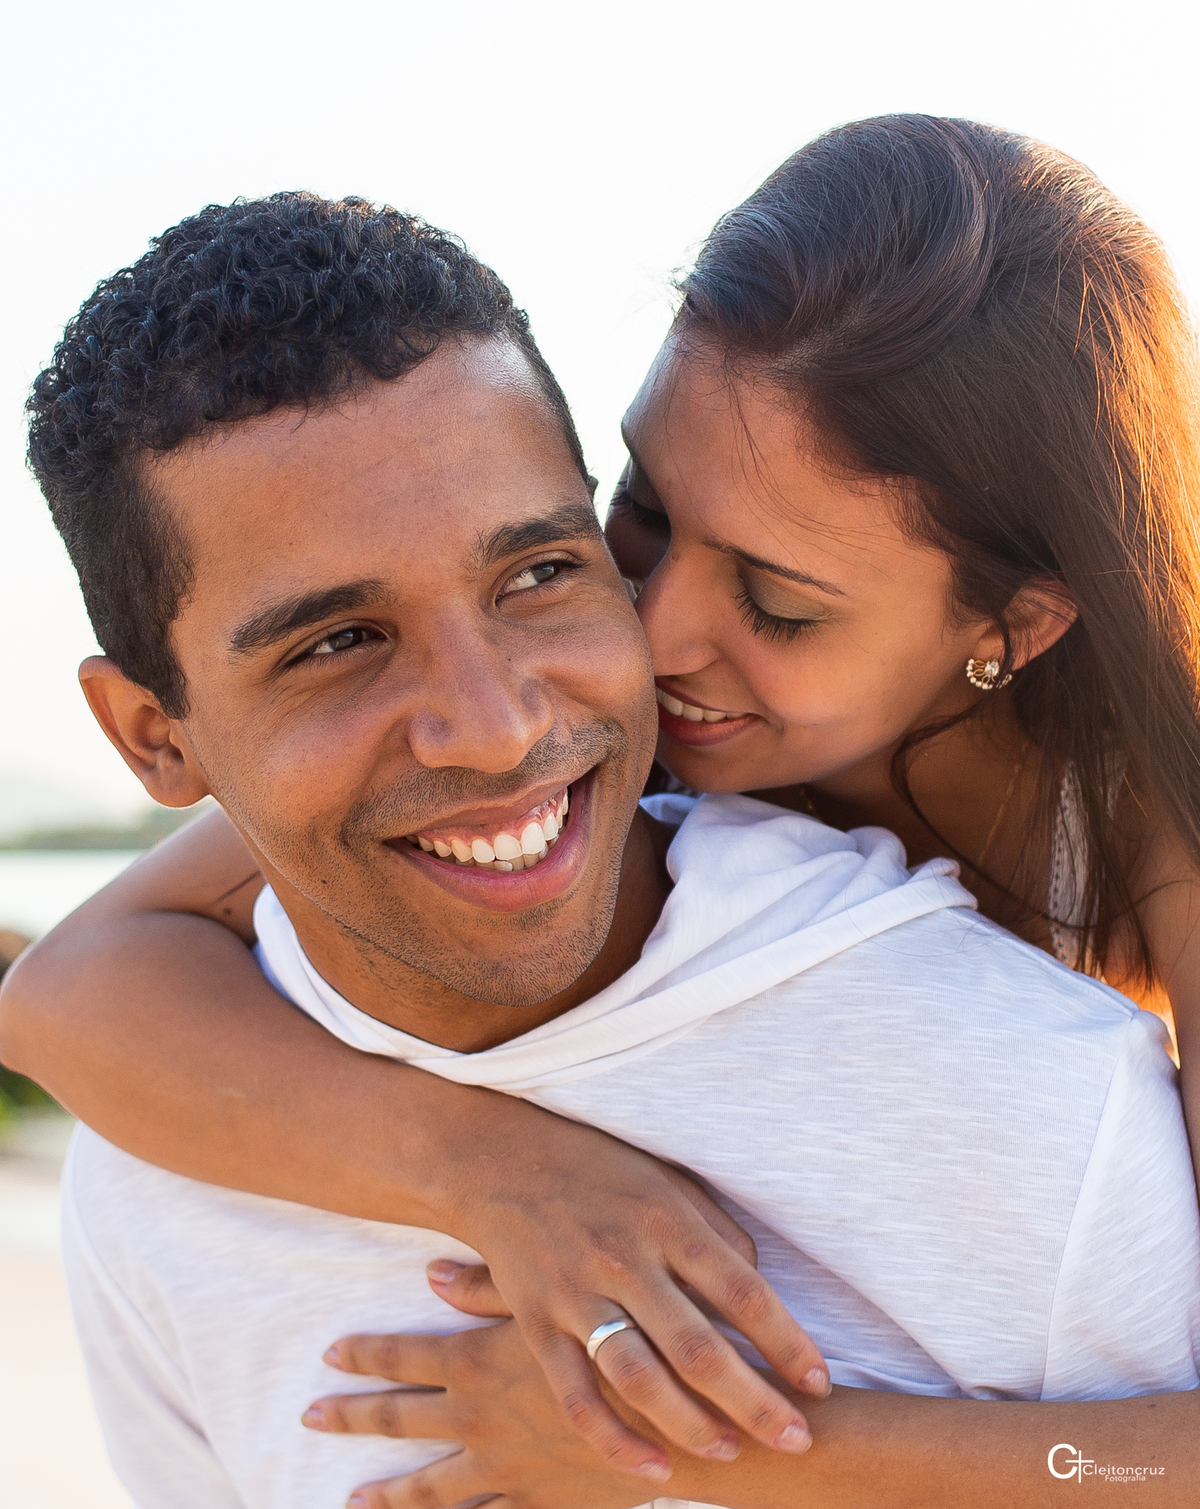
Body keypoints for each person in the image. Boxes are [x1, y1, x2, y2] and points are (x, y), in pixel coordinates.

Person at [4, 112, 1200, 1497]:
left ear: (1013, 626)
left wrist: (696, 1438)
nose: (659, 629)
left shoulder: (1158, 855)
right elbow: (67, 993)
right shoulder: (582, 724)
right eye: (639, 515)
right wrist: (494, 1167)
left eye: (777, 602)